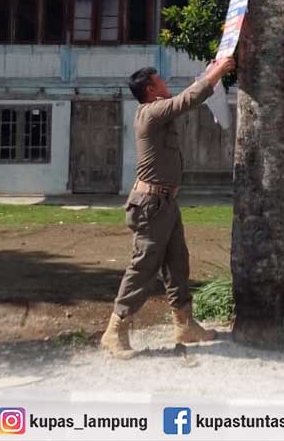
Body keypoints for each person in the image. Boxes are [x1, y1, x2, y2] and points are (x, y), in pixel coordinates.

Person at [101, 57, 237, 359]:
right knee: (144, 265)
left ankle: (185, 325)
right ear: (150, 89)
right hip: (150, 205)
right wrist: (220, 71)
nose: (164, 82)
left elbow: (187, 94)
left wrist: (211, 72)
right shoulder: (151, 112)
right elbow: (187, 99)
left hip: (165, 203)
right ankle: (115, 330)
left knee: (177, 263)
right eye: (159, 80)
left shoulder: (157, 111)